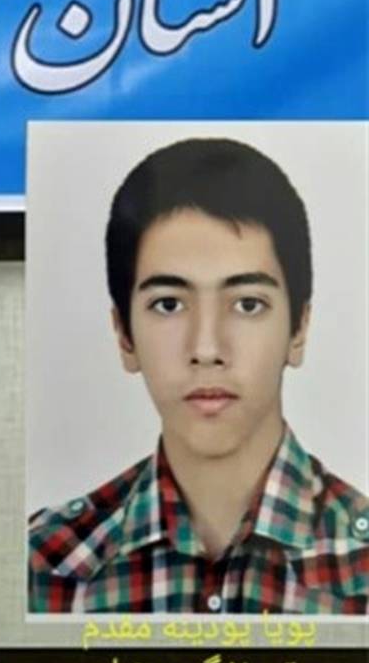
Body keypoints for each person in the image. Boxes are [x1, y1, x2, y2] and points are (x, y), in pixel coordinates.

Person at [28, 138, 369, 614]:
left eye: (247, 304)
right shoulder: (46, 565)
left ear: (299, 329)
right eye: (169, 304)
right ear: (124, 335)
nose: (207, 349)